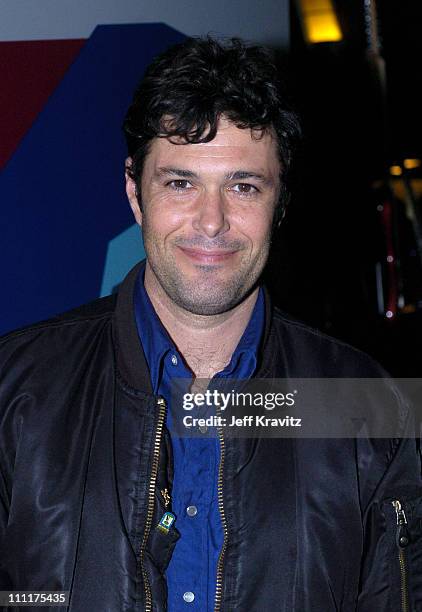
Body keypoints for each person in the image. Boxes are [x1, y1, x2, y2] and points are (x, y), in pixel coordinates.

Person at [0, 36, 421, 612]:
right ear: (134, 191)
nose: (212, 222)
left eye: (243, 187)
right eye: (181, 183)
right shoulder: (16, 390)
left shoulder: (365, 404)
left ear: (281, 202)